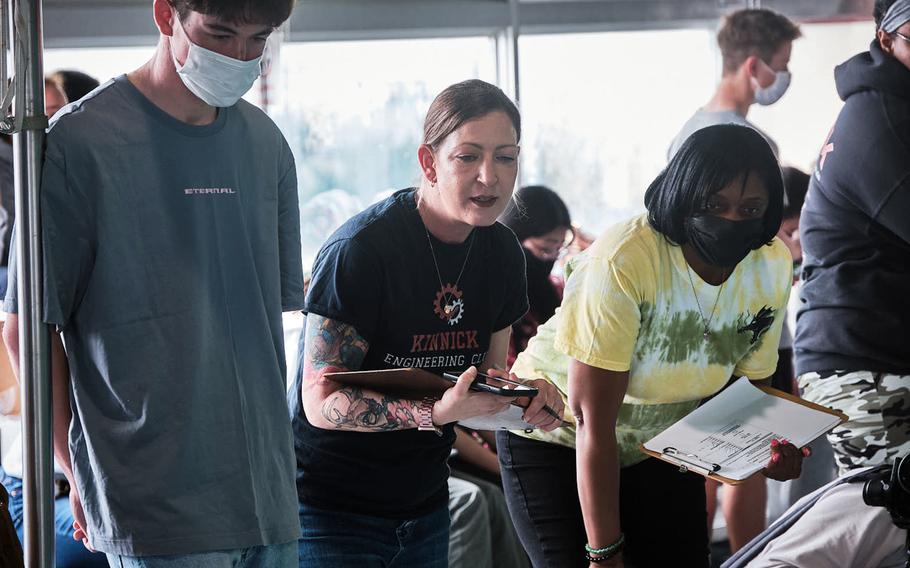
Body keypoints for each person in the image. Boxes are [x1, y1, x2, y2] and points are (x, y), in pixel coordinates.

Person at [2, 0, 303, 566]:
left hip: (269, 499)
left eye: (257, 40)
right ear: (167, 16)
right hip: (154, 506)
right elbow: (27, 332)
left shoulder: (266, 146)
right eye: (219, 34)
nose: (238, 56)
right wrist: (76, 473)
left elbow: (263, 328)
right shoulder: (80, 144)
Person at [497, 124, 806, 568]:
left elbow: (748, 399)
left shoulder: (769, 264)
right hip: (558, 435)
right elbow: (592, 423)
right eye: (715, 205)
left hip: (662, 440)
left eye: (751, 208)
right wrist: (604, 552)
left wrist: (768, 452)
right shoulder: (626, 259)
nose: (733, 219)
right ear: (683, 196)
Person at [291, 79, 564, 567]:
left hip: (425, 503)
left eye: (506, 157)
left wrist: (526, 398)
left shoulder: (503, 254)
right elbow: (320, 401)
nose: (490, 177)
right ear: (428, 161)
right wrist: (434, 413)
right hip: (330, 511)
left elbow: (483, 383)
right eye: (468, 157)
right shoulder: (361, 251)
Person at [795, 0, 910, 477]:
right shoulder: (881, 120)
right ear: (887, 39)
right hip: (865, 364)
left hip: (882, 348)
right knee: (889, 527)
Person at [668, 8, 801, 160]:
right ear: (753, 67)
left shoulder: (683, 136)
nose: (785, 74)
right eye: (783, 65)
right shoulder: (755, 147)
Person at [499, 185, 573, 366]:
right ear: (515, 239)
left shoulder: (557, 290)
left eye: (559, 249)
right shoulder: (494, 296)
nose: (552, 258)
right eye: (545, 249)